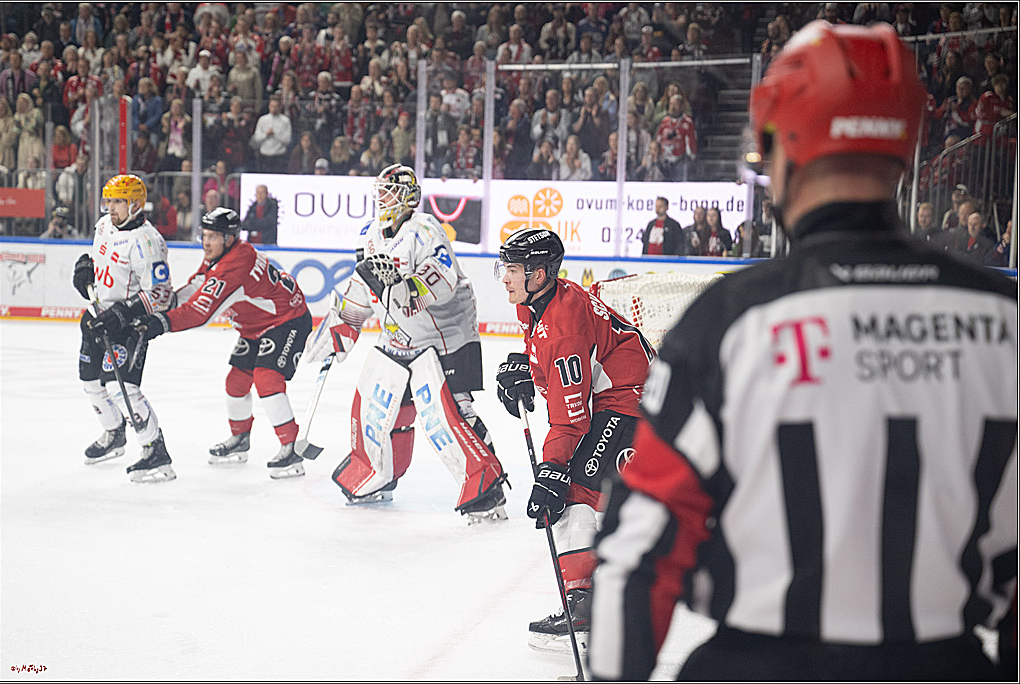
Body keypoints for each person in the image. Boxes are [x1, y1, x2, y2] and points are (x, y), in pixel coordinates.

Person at [588, 21, 1017, 681]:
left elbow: (638, 548)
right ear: (904, 145)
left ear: (782, 141)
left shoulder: (732, 321)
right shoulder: (1005, 322)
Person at [300, 164, 508, 524]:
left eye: (389, 191)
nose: (381, 197)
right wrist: (343, 326)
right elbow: (363, 288)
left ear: (408, 197)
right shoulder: (368, 235)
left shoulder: (425, 229)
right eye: (379, 190)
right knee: (382, 409)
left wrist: (402, 290)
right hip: (401, 335)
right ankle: (378, 475)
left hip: (447, 335)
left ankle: (487, 486)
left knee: (453, 412)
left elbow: (441, 279)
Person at [494, 228, 654, 654]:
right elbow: (562, 371)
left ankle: (585, 603)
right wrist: (528, 373)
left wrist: (550, 470)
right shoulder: (542, 302)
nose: (504, 278)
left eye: (512, 270)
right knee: (571, 490)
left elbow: (570, 419)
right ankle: (590, 595)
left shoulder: (562, 324)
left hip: (632, 401)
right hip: (619, 393)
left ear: (540, 273)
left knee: (573, 491)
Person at [94, 208, 313, 479]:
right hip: (255, 327)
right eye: (204, 235)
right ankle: (240, 439)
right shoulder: (220, 257)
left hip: (286, 320)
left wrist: (161, 323)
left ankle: (291, 449)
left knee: (266, 379)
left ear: (230, 238)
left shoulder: (234, 264)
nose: (206, 242)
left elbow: (199, 311)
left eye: (213, 236)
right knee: (235, 382)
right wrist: (156, 308)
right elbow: (195, 288)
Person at [72, 175, 176, 483]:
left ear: (135, 203)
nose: (111, 208)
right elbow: (99, 260)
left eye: (118, 201)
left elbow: (161, 294)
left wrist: (124, 311)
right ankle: (114, 432)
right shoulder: (104, 225)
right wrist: (85, 272)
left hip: (129, 325)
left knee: (121, 388)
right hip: (97, 315)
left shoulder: (148, 241)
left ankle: (155, 450)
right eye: (109, 201)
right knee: (91, 381)